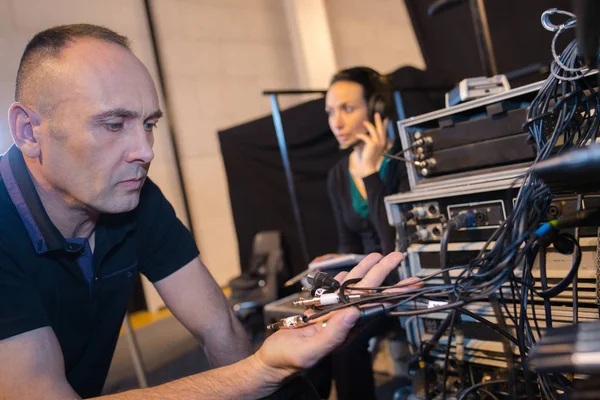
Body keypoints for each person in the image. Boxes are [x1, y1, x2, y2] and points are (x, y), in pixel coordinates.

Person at [0, 24, 414, 399]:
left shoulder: (133, 197)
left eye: (149, 124)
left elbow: (219, 327)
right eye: (113, 124)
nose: (145, 151)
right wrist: (259, 372)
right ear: (27, 131)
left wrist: (275, 374)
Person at [310, 67, 410, 400]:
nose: (335, 123)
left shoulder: (403, 161)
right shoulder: (338, 175)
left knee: (344, 343)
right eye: (330, 112)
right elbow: (349, 244)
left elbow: (394, 245)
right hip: (366, 282)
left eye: (347, 109)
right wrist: (337, 260)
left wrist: (371, 172)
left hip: (402, 280)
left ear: (376, 110)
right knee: (313, 334)